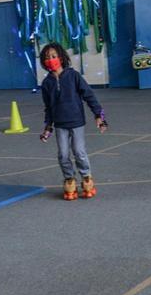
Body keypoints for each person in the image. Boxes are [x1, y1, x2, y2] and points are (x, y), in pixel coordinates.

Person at [38, 42, 107, 200]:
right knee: (63, 155)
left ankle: (86, 178)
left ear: (61, 58)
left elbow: (89, 95)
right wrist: (48, 127)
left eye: (54, 56)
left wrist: (99, 115)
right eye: (47, 57)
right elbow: (48, 107)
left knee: (79, 152)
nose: (51, 60)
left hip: (76, 121)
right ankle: (69, 180)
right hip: (60, 124)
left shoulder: (73, 76)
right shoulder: (47, 83)